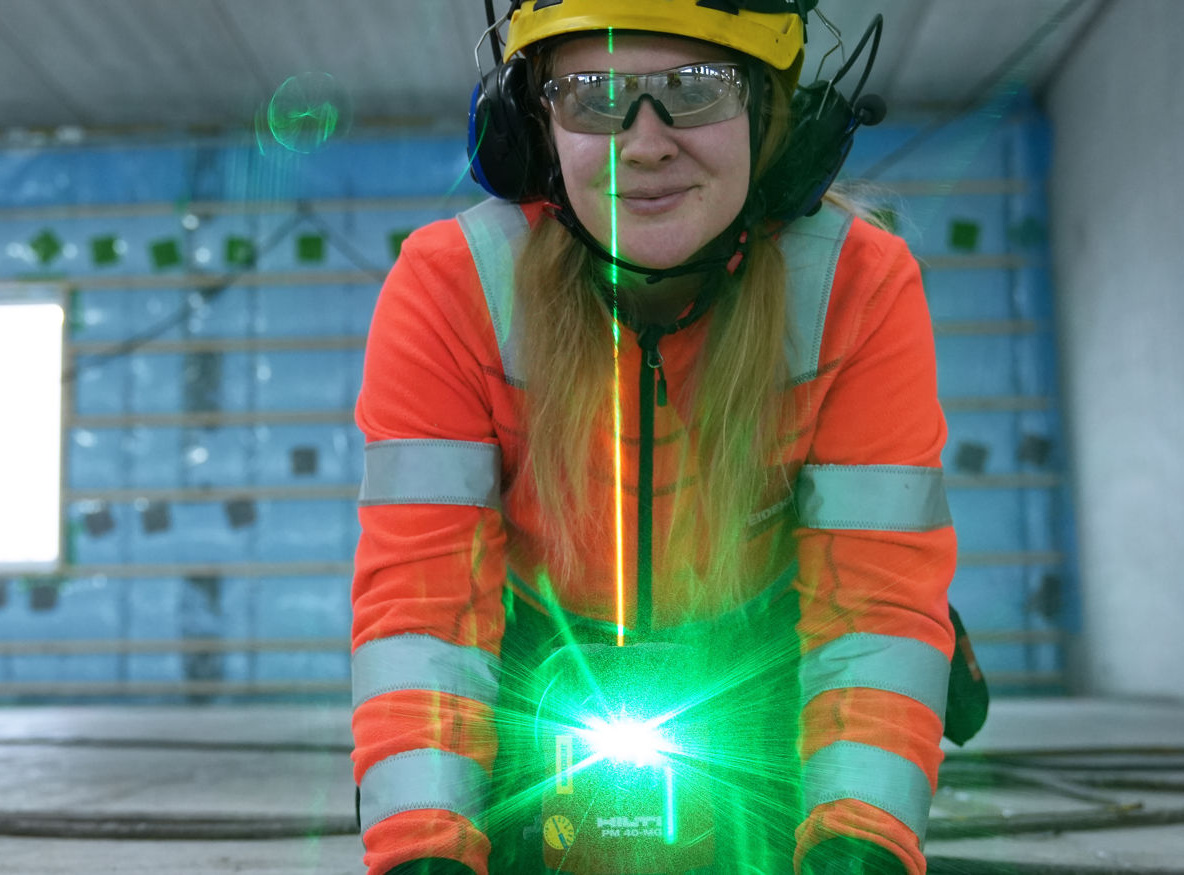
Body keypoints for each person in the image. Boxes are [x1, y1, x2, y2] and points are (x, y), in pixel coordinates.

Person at [351, 2, 968, 873]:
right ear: (533, 127)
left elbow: (875, 603)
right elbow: (424, 604)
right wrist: (423, 846)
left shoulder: (857, 284)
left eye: (694, 88)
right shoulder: (450, 285)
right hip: (537, 661)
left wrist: (859, 835)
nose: (644, 143)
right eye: (592, 96)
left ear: (771, 116)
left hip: (759, 658)